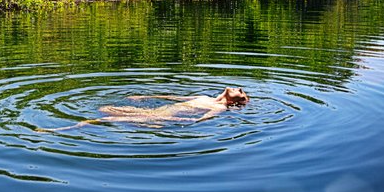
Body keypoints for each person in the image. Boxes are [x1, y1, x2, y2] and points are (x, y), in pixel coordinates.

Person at [37, 87, 248, 132]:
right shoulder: (206, 97)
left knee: (106, 119)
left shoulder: (220, 108)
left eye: (242, 92)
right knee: (105, 108)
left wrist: (170, 122)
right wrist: (146, 96)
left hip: (162, 116)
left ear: (235, 102)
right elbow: (173, 96)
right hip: (160, 110)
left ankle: (62, 129)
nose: (239, 88)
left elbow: (198, 121)